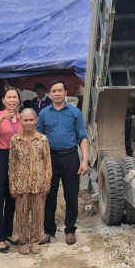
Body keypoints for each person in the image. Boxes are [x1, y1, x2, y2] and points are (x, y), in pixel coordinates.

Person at [37, 80, 88, 246]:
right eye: (54, 91)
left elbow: (82, 136)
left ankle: (70, 230)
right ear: (49, 93)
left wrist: (85, 161)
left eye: (60, 90)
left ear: (66, 92)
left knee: (71, 195)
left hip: (71, 157)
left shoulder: (74, 112)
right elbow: (39, 137)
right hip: (50, 158)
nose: (57, 93)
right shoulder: (44, 113)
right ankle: (48, 231)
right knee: (49, 195)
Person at [9, 108, 52, 255]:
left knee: (38, 214)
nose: (28, 123)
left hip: (38, 184)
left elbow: (47, 163)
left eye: (31, 120)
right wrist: (12, 184)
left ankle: (35, 241)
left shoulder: (42, 139)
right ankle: (23, 242)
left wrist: (47, 182)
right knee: (21, 214)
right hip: (20, 184)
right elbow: (12, 164)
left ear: (36, 121)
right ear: (20, 121)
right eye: (25, 120)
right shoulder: (15, 140)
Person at [0, 88, 22, 252]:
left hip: (17, 158)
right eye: (9, 97)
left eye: (14, 97)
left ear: (18, 101)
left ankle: (8, 232)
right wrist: (3, 117)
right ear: (3, 100)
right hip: (0, 157)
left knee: (12, 196)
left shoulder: (22, 118)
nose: (12, 100)